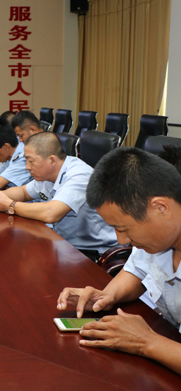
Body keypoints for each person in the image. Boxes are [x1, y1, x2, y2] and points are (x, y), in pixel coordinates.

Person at [57, 147, 181, 375]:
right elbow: (136, 271)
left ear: (161, 208)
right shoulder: (159, 236)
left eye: (123, 228)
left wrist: (146, 342)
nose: (121, 240)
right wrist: (108, 296)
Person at [0, 131, 118, 260]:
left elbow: (51, 213)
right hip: (63, 242)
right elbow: (23, 192)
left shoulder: (79, 175)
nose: (27, 167)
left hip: (94, 253)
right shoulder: (47, 174)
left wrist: (9, 205)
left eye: (31, 161)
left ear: (52, 160)